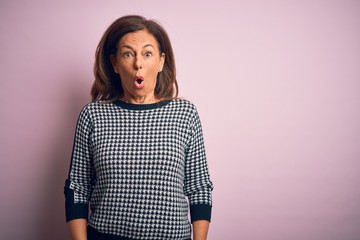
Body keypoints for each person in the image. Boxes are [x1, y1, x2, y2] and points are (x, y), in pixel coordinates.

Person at [64, 15, 213, 240]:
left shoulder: (185, 114)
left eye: (147, 53)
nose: (138, 63)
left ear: (161, 61)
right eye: (128, 54)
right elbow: (77, 187)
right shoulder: (93, 115)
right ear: (115, 63)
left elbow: (199, 187)